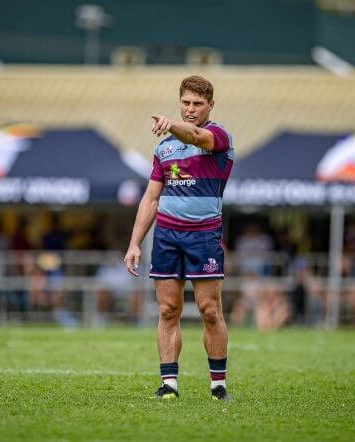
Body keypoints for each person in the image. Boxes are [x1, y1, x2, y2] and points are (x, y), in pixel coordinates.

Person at [124, 75, 234, 401]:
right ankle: (169, 384)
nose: (190, 109)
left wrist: (171, 124)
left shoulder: (218, 137)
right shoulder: (164, 149)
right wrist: (133, 243)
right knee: (168, 310)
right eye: (185, 102)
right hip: (167, 236)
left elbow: (198, 136)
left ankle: (218, 385)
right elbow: (150, 199)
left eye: (197, 103)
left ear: (210, 105)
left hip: (204, 236)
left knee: (209, 310)